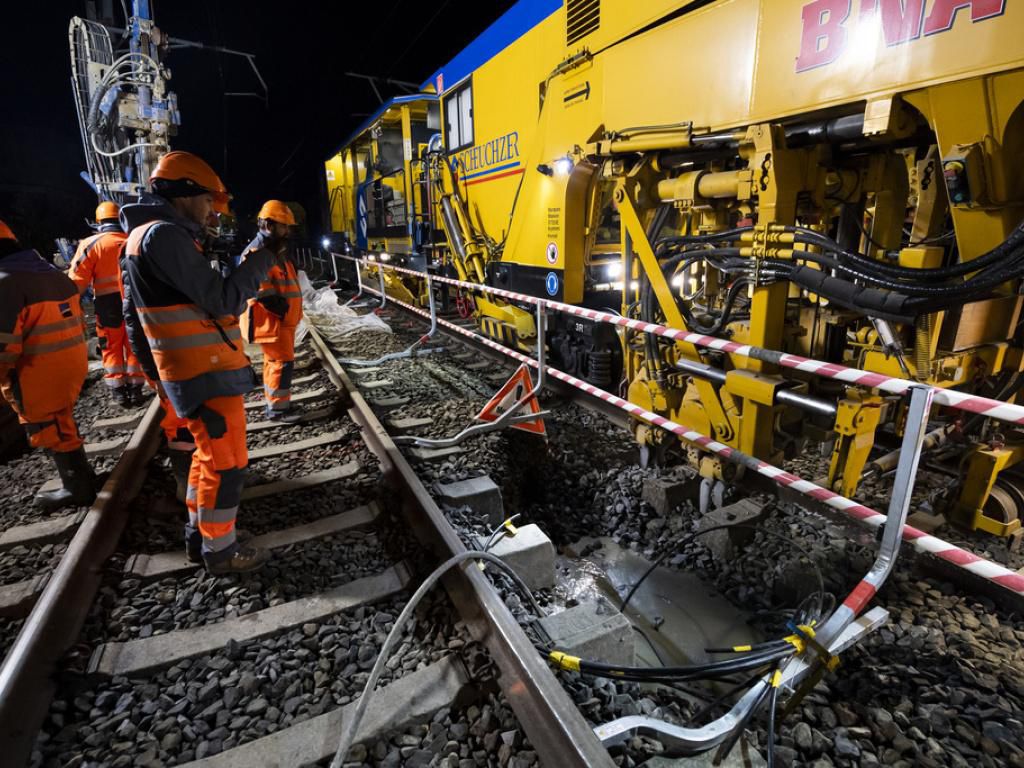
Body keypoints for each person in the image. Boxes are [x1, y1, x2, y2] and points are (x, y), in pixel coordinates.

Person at [120, 151, 280, 574]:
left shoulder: (145, 237)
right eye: (208, 200)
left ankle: (200, 538)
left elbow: (132, 316)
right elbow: (224, 299)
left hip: (194, 369)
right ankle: (221, 552)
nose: (212, 210)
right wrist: (263, 256)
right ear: (185, 193)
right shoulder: (163, 237)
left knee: (206, 458)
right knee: (227, 465)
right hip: (203, 370)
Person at [0, 219, 96, 511]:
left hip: (36, 370)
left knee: (48, 426)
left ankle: (76, 486)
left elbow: (4, 345)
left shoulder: (6, 283)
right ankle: (82, 478)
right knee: (60, 420)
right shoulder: (51, 274)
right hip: (69, 362)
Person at [68, 201, 145, 407]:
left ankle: (118, 390)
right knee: (134, 344)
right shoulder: (133, 240)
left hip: (107, 304)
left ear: (98, 221)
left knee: (111, 346)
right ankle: (136, 388)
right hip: (135, 301)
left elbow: (76, 283)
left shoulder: (91, 244)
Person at [239, 200, 303, 422]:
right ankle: (278, 409)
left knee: (274, 362)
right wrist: (284, 312)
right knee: (281, 364)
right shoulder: (257, 252)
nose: (287, 231)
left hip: (280, 321)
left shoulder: (275, 250)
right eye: (284, 226)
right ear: (268, 225)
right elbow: (262, 292)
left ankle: (275, 403)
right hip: (274, 322)